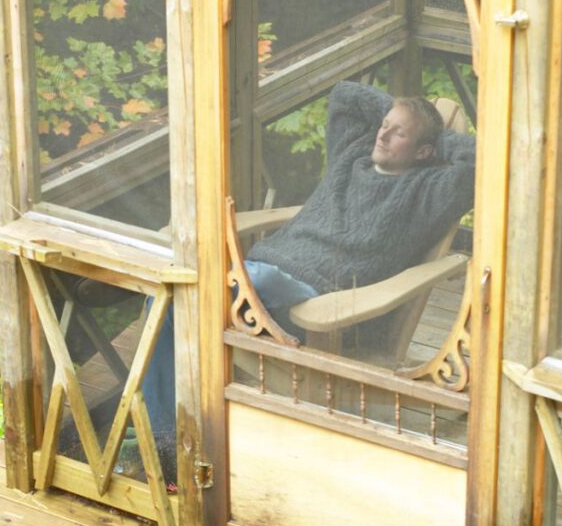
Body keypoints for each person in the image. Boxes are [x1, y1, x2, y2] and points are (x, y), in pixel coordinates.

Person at [141, 81, 476, 480]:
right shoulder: (351, 155)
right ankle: (166, 438)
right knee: (169, 295)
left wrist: (436, 138)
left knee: (189, 293)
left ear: (424, 152)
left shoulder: (426, 190)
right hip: (260, 274)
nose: (382, 134)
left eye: (397, 132)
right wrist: (401, 113)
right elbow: (344, 95)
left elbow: (480, 163)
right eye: (383, 124)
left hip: (317, 295)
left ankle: (163, 448)